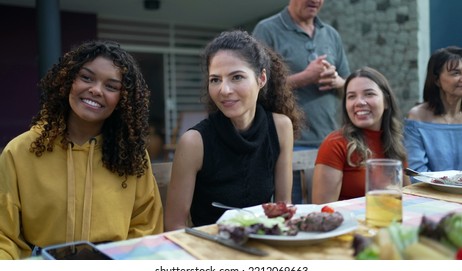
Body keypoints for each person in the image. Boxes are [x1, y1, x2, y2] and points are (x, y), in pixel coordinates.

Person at [0, 40, 163, 259]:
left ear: (122, 100)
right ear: (68, 81)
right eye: (86, 78)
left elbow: (146, 229)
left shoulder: (132, 155)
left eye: (111, 86)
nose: (95, 90)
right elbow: (4, 236)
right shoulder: (20, 151)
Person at [164, 30, 304, 230]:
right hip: (211, 248)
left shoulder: (281, 127)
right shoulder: (195, 142)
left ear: (261, 78)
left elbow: (283, 206)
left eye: (236, 77)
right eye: (215, 79)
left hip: (263, 244)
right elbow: (174, 225)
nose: (224, 90)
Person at [252, 0, 350, 203]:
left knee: (327, 214)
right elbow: (256, 87)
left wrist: (337, 80)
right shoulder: (267, 29)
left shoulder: (331, 34)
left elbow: (349, 83)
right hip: (288, 144)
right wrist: (305, 77)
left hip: (329, 142)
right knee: (290, 215)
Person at [312, 67, 410, 204]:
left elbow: (407, 199)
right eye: (351, 96)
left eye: (369, 94)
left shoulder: (396, 143)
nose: (359, 102)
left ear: (386, 101)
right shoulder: (335, 143)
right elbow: (323, 209)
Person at [404, 46, 462, 178]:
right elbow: (416, 172)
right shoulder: (417, 117)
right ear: (436, 80)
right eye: (455, 73)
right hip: (430, 195)